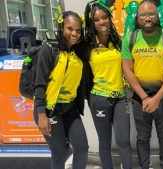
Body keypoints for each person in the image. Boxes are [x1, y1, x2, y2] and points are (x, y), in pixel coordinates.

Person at [121, 0, 163, 168]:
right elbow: (128, 71)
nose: (147, 18)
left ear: (157, 15)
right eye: (143, 15)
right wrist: (145, 97)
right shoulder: (130, 38)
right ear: (138, 17)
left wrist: (156, 99)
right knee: (142, 138)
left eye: (151, 14)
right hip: (140, 99)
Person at [34, 8, 89, 169]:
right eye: (70, 29)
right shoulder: (49, 49)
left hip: (70, 108)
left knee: (82, 148)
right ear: (61, 28)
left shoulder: (77, 53)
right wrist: (41, 114)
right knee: (59, 152)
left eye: (78, 30)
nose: (74, 34)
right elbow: (39, 83)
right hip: (50, 109)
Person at [83, 1, 132, 169]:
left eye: (104, 18)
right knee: (105, 143)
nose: (102, 22)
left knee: (124, 141)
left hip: (120, 98)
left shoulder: (118, 42)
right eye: (97, 19)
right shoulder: (86, 46)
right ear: (92, 23)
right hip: (99, 98)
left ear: (110, 19)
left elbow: (131, 64)